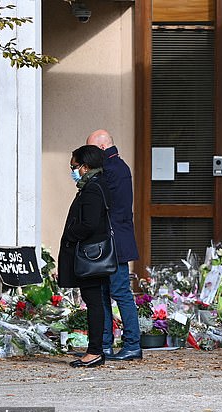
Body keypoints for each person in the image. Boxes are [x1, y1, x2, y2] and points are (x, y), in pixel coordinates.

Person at [86, 129, 142, 361]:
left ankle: (131, 344)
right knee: (105, 293)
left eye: (89, 150)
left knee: (119, 292)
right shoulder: (118, 167)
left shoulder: (110, 171)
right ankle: (106, 344)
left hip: (113, 243)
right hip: (115, 241)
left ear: (100, 148)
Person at [58, 145, 111, 368]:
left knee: (94, 302)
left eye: (74, 166)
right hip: (92, 254)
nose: (72, 171)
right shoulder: (94, 185)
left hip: (89, 256)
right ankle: (96, 350)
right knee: (95, 301)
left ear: (85, 166)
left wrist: (70, 235)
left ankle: (95, 351)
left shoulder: (92, 188)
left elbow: (88, 223)